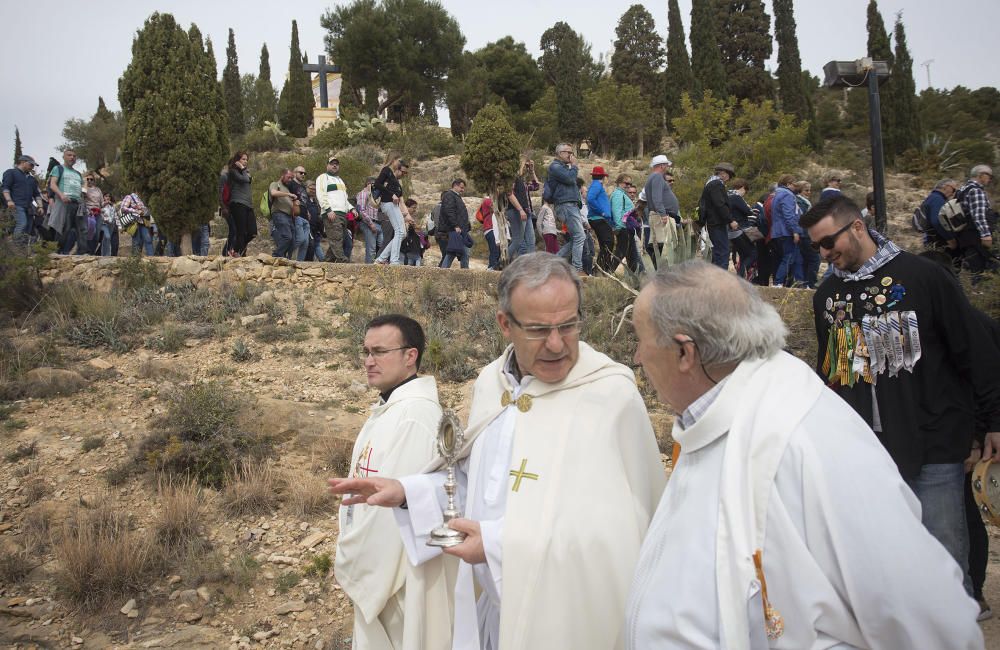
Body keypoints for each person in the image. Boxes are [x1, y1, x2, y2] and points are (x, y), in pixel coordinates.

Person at [625, 260, 983, 649]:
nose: (638, 357)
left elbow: (932, 619)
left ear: (684, 353)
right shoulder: (717, 416)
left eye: (640, 340)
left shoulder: (804, 440)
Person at [329, 253, 665, 650]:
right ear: (505, 323)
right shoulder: (492, 384)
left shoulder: (611, 395)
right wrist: (410, 492)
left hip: (564, 616)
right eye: (539, 329)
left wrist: (497, 544)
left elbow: (622, 533)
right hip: (490, 607)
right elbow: (480, 483)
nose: (557, 344)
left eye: (569, 325)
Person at [802, 195, 1000, 598]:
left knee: (943, 558)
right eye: (816, 247)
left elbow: (973, 351)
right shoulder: (828, 298)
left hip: (935, 444)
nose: (824, 254)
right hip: (867, 455)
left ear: (857, 226)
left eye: (828, 243)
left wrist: (992, 421)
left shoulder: (923, 277)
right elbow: (835, 376)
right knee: (886, 562)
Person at [336, 314, 455, 650]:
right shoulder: (391, 407)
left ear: (410, 355)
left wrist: (354, 564)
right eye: (366, 352)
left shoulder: (415, 415)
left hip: (398, 579)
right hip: (380, 566)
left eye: (379, 352)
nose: (368, 361)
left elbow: (394, 511)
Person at [549, 143, 586, 273]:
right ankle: (577, 268)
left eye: (572, 152)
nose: (571, 155)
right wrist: (574, 166)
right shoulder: (555, 167)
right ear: (560, 153)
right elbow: (570, 179)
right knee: (580, 237)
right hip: (566, 205)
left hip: (570, 206)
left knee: (578, 237)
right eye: (568, 152)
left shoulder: (564, 167)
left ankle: (554, 262)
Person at [956, 164, 998, 276]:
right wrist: (986, 235)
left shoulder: (962, 189)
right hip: (977, 236)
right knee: (991, 266)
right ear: (981, 175)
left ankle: (976, 291)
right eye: (989, 175)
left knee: (975, 270)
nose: (990, 179)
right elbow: (978, 215)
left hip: (965, 236)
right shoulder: (976, 190)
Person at [643, 155, 681, 268]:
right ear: (662, 165)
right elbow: (656, 198)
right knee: (663, 246)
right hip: (661, 216)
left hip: (658, 215)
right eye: (666, 165)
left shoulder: (653, 177)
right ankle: (660, 272)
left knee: (659, 245)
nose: (667, 167)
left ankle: (658, 270)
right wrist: (663, 214)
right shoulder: (657, 177)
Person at [45, 149, 84, 254]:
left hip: (77, 204)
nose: (72, 157)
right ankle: (57, 251)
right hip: (63, 202)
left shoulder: (78, 174)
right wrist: (61, 195)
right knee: (61, 228)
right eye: (69, 155)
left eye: (74, 156)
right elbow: (52, 184)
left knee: (76, 230)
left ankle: (66, 252)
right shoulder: (58, 168)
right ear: (64, 157)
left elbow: (81, 188)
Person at [315, 158, 351, 263]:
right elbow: (321, 194)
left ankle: (327, 262)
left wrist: (351, 208)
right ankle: (341, 259)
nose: (334, 166)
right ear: (327, 165)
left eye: (336, 164)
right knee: (336, 238)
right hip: (332, 213)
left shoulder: (340, 180)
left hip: (343, 214)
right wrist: (328, 209)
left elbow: (345, 199)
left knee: (340, 239)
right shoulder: (323, 177)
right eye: (332, 164)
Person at [2, 154, 43, 246]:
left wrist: (40, 206)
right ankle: (16, 247)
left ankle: (24, 250)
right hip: (16, 204)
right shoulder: (11, 173)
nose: (32, 167)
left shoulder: (32, 179)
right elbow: (5, 188)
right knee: (21, 224)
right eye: (31, 164)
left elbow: (36, 194)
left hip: (28, 207)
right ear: (23, 162)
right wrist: (9, 200)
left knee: (28, 228)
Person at [374, 157, 408, 265]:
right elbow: (377, 184)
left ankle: (381, 258)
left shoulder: (396, 181)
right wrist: (391, 194)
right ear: (395, 163)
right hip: (388, 203)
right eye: (403, 172)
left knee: (402, 234)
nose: (404, 174)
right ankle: (393, 260)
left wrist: (407, 215)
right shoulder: (386, 170)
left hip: (394, 206)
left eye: (406, 173)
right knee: (400, 232)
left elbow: (401, 201)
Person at [770, 174, 803, 287]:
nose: (796, 187)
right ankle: (778, 282)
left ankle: (799, 282)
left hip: (777, 232)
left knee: (793, 257)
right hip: (786, 231)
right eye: (794, 184)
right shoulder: (787, 195)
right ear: (788, 184)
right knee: (788, 257)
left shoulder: (777, 194)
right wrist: (794, 231)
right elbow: (789, 215)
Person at [585, 166, 615, 273]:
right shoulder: (597, 185)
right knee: (608, 242)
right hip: (598, 218)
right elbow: (590, 199)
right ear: (603, 176)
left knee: (605, 243)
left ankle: (603, 268)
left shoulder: (595, 185)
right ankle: (601, 269)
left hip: (597, 218)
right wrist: (601, 211)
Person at [506, 159, 537, 261]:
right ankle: (502, 261)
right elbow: (509, 194)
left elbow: (536, 186)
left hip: (527, 212)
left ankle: (531, 267)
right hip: (516, 211)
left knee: (531, 241)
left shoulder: (523, 182)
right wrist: (520, 210)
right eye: (526, 166)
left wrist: (532, 171)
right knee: (518, 240)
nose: (527, 168)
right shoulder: (512, 178)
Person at [226, 151, 255, 257]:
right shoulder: (233, 172)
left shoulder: (245, 171)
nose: (245, 161)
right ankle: (240, 253)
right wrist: (243, 169)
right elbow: (244, 179)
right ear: (237, 160)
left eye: (246, 159)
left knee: (252, 232)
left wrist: (244, 170)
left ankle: (235, 249)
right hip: (237, 203)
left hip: (248, 204)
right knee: (241, 231)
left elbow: (248, 179)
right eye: (243, 159)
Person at [727, 179, 757, 280]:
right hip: (742, 230)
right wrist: (748, 207)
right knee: (753, 253)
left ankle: (740, 277)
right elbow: (748, 212)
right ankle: (741, 275)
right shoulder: (736, 197)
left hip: (731, 232)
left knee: (743, 254)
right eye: (746, 190)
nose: (745, 193)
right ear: (743, 187)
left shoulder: (727, 196)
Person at [439, 179, 472, 269]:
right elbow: (449, 211)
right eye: (461, 187)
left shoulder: (456, 197)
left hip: (460, 230)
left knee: (461, 252)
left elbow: (459, 213)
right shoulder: (449, 195)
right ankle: (444, 272)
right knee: (453, 252)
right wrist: (456, 225)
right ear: (455, 186)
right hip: (455, 230)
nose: (463, 190)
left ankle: (464, 273)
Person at [919, 179, 960, 251]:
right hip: (938, 241)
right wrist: (950, 240)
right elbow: (937, 221)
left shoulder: (932, 197)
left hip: (930, 239)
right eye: (953, 190)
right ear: (946, 187)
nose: (953, 193)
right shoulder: (937, 199)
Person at [793, 181, 820, 288]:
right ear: (800, 190)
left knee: (805, 260)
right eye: (806, 190)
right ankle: (810, 283)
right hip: (805, 234)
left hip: (804, 234)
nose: (809, 192)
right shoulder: (801, 203)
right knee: (814, 259)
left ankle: (806, 283)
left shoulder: (803, 202)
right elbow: (802, 219)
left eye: (810, 190)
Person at [268, 169, 298, 259]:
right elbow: (273, 193)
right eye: (289, 177)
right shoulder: (275, 184)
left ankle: (285, 258)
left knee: (293, 240)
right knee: (287, 237)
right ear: (282, 175)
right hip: (279, 214)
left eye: (291, 178)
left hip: (289, 217)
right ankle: (276, 255)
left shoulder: (287, 188)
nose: (290, 180)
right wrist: (288, 194)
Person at [609, 174, 635, 273]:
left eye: (630, 183)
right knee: (621, 251)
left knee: (629, 253)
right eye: (626, 183)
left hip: (626, 227)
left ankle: (634, 274)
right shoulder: (618, 194)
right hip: (623, 227)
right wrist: (619, 227)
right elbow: (616, 211)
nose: (628, 186)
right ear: (619, 183)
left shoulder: (622, 194)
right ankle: (610, 271)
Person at [288, 166, 312, 262]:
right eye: (300, 172)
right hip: (296, 215)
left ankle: (300, 263)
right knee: (300, 239)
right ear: (294, 173)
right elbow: (286, 196)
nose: (303, 175)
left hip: (305, 216)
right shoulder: (290, 184)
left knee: (305, 243)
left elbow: (304, 201)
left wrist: (308, 211)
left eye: (304, 173)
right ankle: (286, 255)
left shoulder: (302, 187)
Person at [357, 176, 382, 264]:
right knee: (371, 249)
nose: (374, 186)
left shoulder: (376, 196)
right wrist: (370, 224)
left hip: (379, 223)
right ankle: (369, 270)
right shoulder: (363, 194)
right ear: (367, 184)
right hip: (369, 223)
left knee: (382, 247)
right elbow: (361, 210)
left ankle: (377, 268)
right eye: (372, 184)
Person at [120, 192, 152, 256]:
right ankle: (135, 260)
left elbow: (144, 210)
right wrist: (135, 210)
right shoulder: (129, 197)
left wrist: (144, 210)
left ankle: (152, 259)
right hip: (134, 222)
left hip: (143, 222)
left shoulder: (141, 199)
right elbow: (123, 208)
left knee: (148, 240)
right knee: (136, 241)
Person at [475, 197, 500, 270]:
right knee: (495, 250)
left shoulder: (487, 201)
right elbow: (495, 208)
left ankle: (493, 268)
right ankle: (491, 268)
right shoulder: (488, 200)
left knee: (496, 250)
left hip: (490, 229)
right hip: (490, 229)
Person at [303, 181, 324, 261]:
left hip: (316, 228)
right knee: (310, 245)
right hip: (308, 226)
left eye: (315, 189)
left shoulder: (316, 201)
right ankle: (307, 264)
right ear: (306, 188)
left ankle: (323, 262)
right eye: (311, 188)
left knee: (316, 245)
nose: (313, 190)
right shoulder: (304, 200)